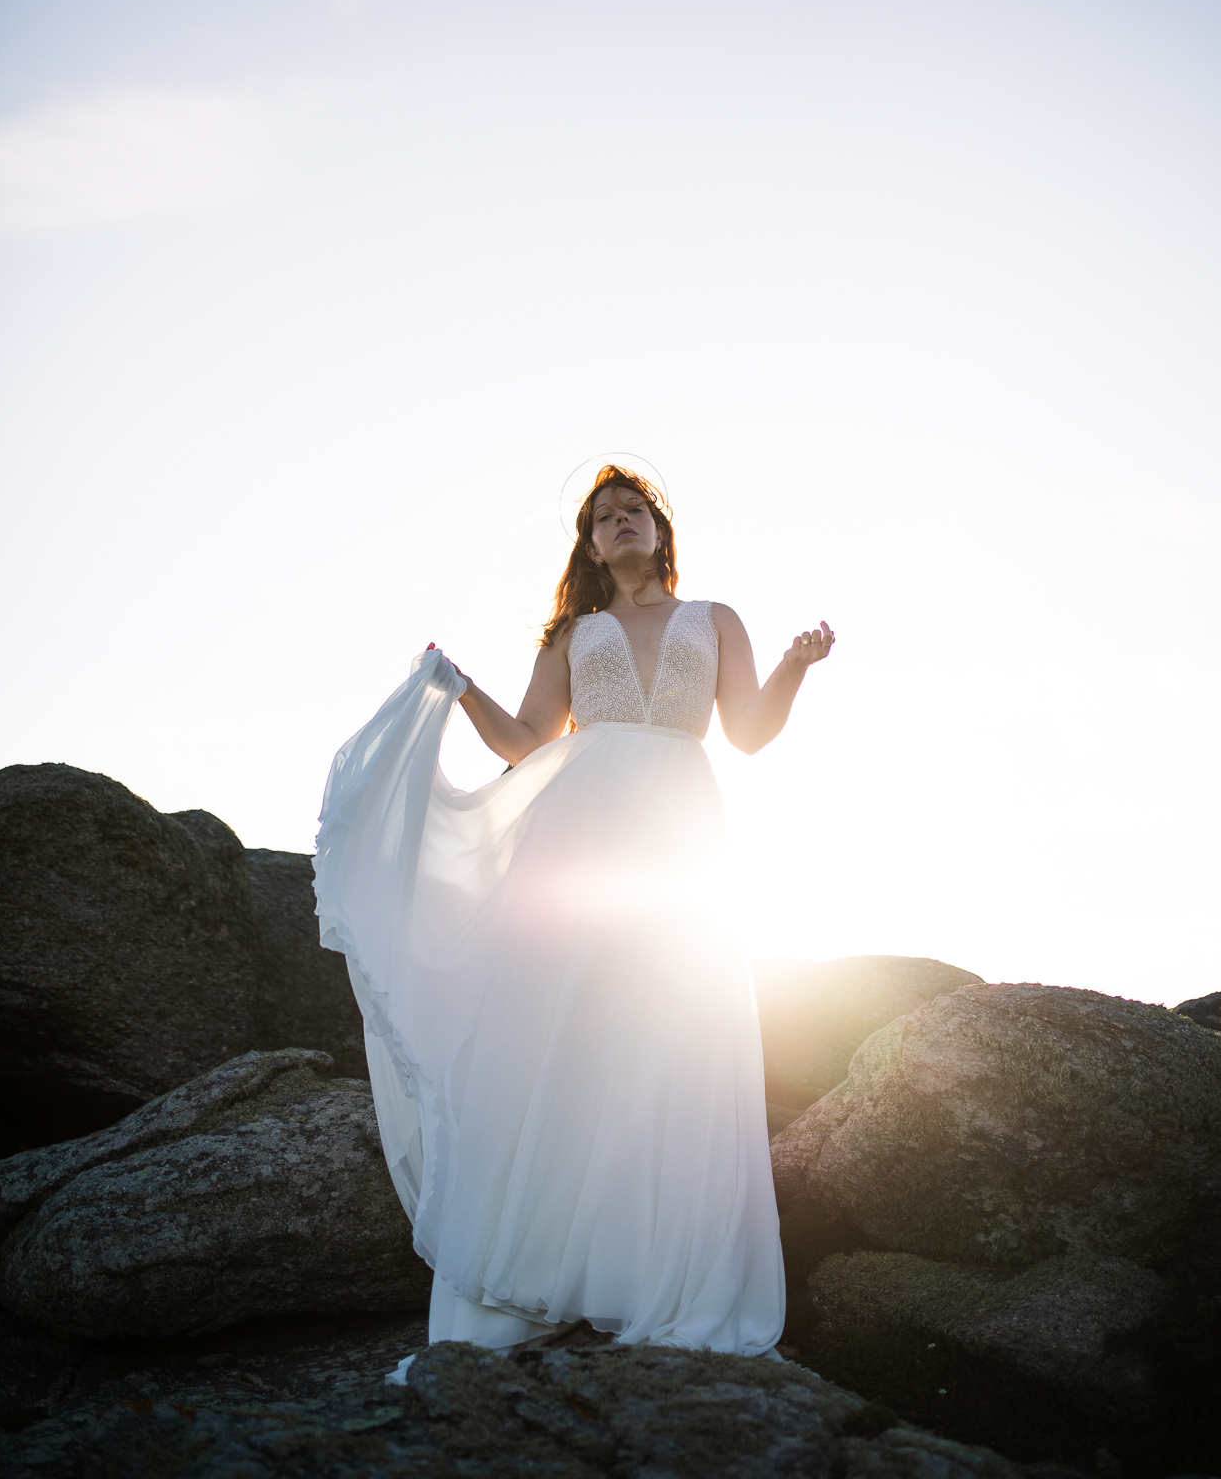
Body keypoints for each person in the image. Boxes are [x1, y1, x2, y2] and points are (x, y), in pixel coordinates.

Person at [313, 464, 834, 1362]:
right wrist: (456, 688)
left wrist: (794, 665)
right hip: (577, 840)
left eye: (635, 512)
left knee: (673, 1043)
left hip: (680, 836)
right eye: (605, 518)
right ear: (590, 545)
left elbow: (746, 732)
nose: (622, 523)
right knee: (572, 1044)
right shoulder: (574, 634)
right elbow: (525, 742)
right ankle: (549, 1271)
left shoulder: (715, 620)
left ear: (659, 532)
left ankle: (655, 1275)